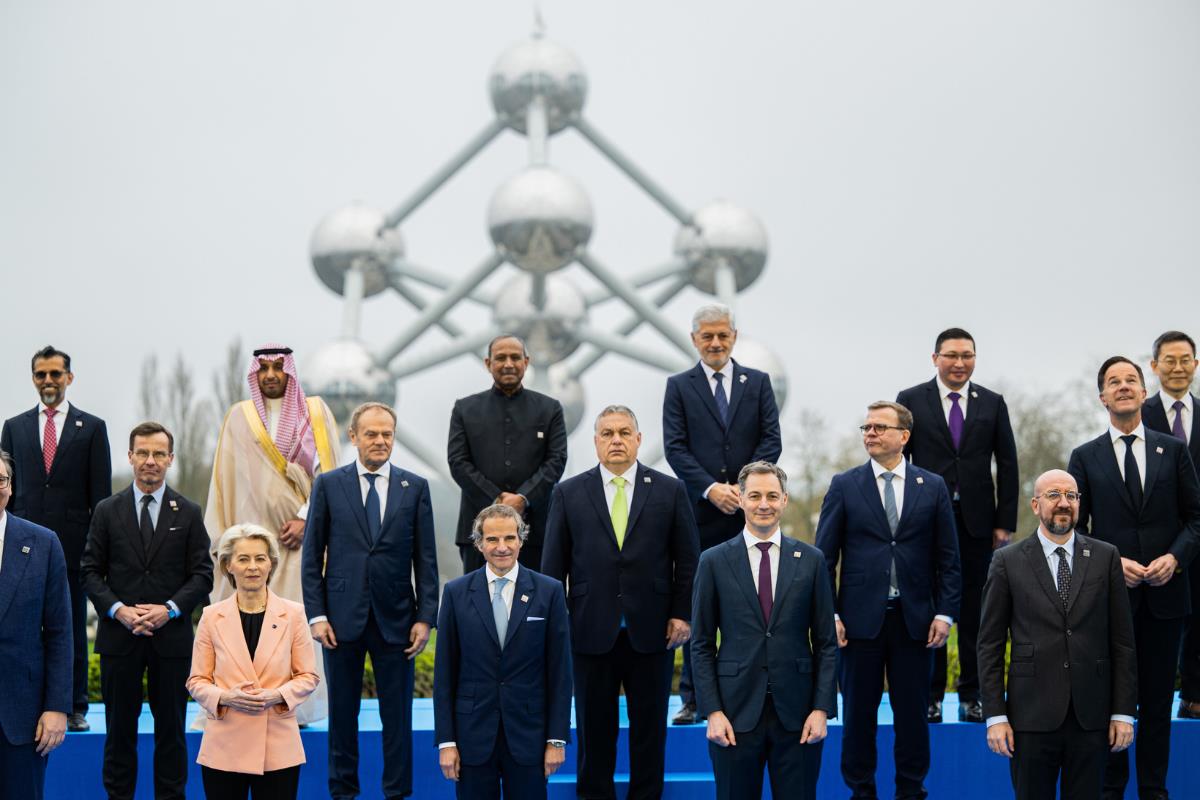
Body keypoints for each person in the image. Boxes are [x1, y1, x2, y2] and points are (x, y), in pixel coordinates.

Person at [541, 404, 700, 800]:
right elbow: (551, 567)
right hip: (589, 631)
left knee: (649, 731)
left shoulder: (669, 490)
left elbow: (689, 558)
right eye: (608, 433)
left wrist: (682, 613)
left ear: (638, 440)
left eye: (624, 433)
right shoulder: (567, 493)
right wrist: (560, 624)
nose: (616, 440)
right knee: (595, 730)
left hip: (654, 631)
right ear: (595, 441)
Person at [1067, 356, 1200, 799]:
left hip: (1165, 596)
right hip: (1110, 599)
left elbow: (1195, 519)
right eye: (1113, 382)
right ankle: (1111, 789)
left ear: (1145, 392)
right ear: (1101, 397)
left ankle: (1154, 791)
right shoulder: (1084, 457)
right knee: (1112, 701)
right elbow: (1075, 530)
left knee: (1159, 702)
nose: (1123, 386)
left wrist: (1175, 559)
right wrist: (1110, 562)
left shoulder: (1174, 450)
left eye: (1131, 380)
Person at [815, 401, 961, 800]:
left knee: (912, 717)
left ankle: (911, 791)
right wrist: (832, 614)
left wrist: (945, 613)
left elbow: (948, 558)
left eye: (880, 427)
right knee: (858, 716)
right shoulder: (844, 484)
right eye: (866, 427)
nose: (870, 433)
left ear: (904, 436)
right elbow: (823, 558)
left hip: (915, 621)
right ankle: (861, 791)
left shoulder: (931, 486)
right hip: (859, 624)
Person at [301, 401, 439, 800]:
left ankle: (397, 793)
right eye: (372, 434)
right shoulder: (328, 485)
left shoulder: (415, 488)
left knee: (398, 719)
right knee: (342, 718)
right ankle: (343, 793)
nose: (380, 441)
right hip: (340, 623)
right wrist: (318, 615)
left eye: (387, 434)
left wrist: (425, 617)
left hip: (398, 621)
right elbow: (311, 559)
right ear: (353, 436)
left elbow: (425, 560)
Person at [978, 469, 1136, 799]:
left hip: (1091, 717)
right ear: (1036, 505)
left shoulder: (1106, 556)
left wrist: (1123, 713)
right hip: (1030, 718)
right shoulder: (1006, 561)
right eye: (1054, 495)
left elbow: (1122, 641)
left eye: (1071, 496)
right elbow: (990, 645)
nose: (1064, 503)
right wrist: (995, 716)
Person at [204, 343, 338, 723]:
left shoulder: (315, 412)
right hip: (250, 547)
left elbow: (328, 476)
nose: (271, 375)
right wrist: (233, 543)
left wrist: (306, 518)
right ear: (255, 373)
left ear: (290, 372)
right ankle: (241, 702)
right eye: (263, 368)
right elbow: (225, 483)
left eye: (279, 367)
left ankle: (296, 709)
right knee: (248, 625)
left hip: (299, 545)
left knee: (293, 627)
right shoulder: (239, 416)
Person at [79, 422, 214, 800]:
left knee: (171, 734)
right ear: (130, 457)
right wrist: (118, 610)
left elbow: (203, 575)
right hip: (119, 640)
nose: (150, 461)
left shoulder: (188, 512)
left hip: (170, 643)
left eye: (158, 454)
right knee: (118, 734)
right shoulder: (107, 510)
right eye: (143, 453)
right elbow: (89, 571)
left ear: (170, 459)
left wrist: (170, 610)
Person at [663, 303, 782, 726]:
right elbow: (675, 447)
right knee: (701, 608)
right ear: (695, 339)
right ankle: (694, 699)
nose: (715, 343)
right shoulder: (679, 386)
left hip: (754, 514)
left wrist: (746, 490)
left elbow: (771, 437)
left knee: (754, 606)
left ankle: (748, 693)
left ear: (734, 336)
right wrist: (712, 489)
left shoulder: (759, 383)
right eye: (707, 336)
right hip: (700, 514)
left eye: (723, 335)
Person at [691, 461, 837, 800]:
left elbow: (827, 643)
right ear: (740, 499)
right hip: (733, 716)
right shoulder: (712, 561)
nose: (763, 503)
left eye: (772, 495)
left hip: (799, 717)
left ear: (785, 500)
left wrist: (821, 709)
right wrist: (712, 711)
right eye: (754, 495)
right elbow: (700, 644)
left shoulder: (812, 560)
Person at [895, 327, 1018, 724]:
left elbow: (1009, 464)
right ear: (935, 358)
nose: (959, 362)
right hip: (925, 522)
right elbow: (901, 463)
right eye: (951, 355)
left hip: (979, 524)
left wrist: (1005, 522)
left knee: (975, 611)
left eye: (967, 355)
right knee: (929, 607)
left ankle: (973, 695)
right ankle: (929, 696)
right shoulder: (910, 400)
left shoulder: (993, 403)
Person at [1, 345, 112, 731]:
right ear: (33, 378)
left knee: (70, 628)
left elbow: (100, 499)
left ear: (69, 377)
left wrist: (96, 553)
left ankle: (74, 705)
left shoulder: (92, 428)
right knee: (20, 629)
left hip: (72, 550)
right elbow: (8, 494)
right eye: (40, 375)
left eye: (55, 374)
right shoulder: (13, 427)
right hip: (20, 551)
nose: (48, 381)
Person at [434, 504, 572, 799]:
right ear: (479, 543)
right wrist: (446, 742)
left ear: (521, 540)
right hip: (472, 738)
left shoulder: (550, 591)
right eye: (493, 539)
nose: (502, 547)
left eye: (510, 538)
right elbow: (444, 673)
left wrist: (557, 740)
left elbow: (561, 672)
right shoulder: (457, 593)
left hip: (529, 737)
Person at [187, 524, 319, 799]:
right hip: (224, 745)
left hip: (278, 746)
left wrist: (277, 695)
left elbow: (308, 676)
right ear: (228, 566)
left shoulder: (294, 615)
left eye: (260, 558)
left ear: (271, 564)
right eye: (243, 559)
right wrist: (225, 697)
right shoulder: (211, 617)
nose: (253, 567)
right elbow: (197, 681)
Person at [448, 334, 568, 572]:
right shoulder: (465, 409)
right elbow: (458, 462)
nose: (508, 364)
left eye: (515, 357)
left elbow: (556, 460)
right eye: (500, 358)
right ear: (488, 363)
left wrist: (523, 498)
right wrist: (497, 500)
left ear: (526, 361)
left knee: (534, 604)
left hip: (535, 533)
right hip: (477, 532)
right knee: (476, 604)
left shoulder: (549, 409)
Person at [0, 449, 72, 800]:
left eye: (0, 480)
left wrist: (57, 706)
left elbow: (60, 633)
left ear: (10, 487)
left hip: (22, 721)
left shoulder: (43, 543)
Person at [1141, 331, 1200, 719]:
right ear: (1155, 365)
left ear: (1195, 365)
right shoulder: (1138, 413)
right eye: (1169, 360)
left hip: (1198, 531)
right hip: (1156, 538)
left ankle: (1193, 693)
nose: (1177, 368)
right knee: (1155, 622)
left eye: (1185, 360)